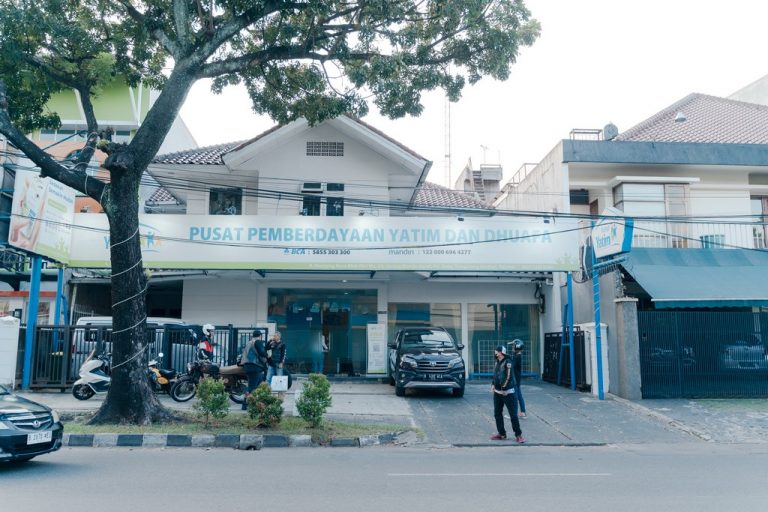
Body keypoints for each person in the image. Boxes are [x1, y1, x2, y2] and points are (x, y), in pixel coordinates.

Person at [490, 345, 524, 443]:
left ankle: (518, 435)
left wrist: (503, 388)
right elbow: (495, 375)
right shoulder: (497, 362)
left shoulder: (508, 362)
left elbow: (508, 377)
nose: (495, 353)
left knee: (513, 415)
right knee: (497, 413)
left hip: (508, 393)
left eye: (496, 351)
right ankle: (502, 434)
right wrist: (493, 384)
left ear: (501, 352)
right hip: (497, 393)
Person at [240, 329, 268, 410]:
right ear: (260, 336)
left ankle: (257, 403)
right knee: (252, 387)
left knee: (259, 384)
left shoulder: (249, 342)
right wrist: (268, 355)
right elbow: (262, 352)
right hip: (254, 366)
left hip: (248, 367)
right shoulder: (257, 342)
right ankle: (246, 404)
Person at [512, 339, 527, 418]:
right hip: (516, 379)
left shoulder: (517, 357)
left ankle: (516, 413)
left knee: (516, 396)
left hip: (516, 379)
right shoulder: (517, 356)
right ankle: (523, 412)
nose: (512, 347)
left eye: (513, 346)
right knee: (519, 395)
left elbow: (512, 366)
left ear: (517, 347)